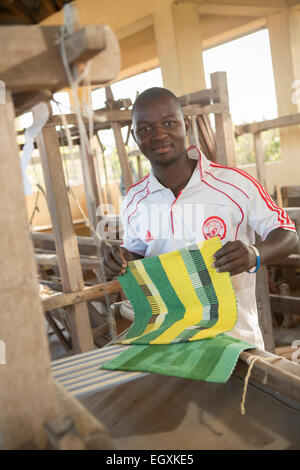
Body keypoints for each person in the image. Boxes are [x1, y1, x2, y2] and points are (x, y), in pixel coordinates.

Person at [102, 87, 299, 349]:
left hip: (234, 340)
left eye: (169, 123)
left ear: (185, 125)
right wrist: (121, 260)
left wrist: (254, 253)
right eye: (146, 128)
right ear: (135, 136)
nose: (159, 134)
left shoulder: (234, 184)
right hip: (167, 340)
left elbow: (287, 234)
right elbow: (138, 256)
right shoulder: (134, 200)